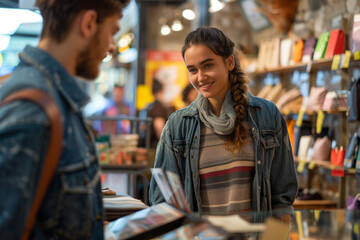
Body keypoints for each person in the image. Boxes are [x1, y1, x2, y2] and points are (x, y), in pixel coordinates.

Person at [0, 0, 129, 239]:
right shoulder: (33, 110)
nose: (112, 47)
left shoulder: (57, 99)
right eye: (112, 32)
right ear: (89, 23)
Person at [149, 27, 298, 215]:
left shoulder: (266, 115)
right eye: (193, 70)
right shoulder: (178, 126)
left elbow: (282, 199)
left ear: (229, 62)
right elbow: (162, 201)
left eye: (208, 65)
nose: (200, 77)